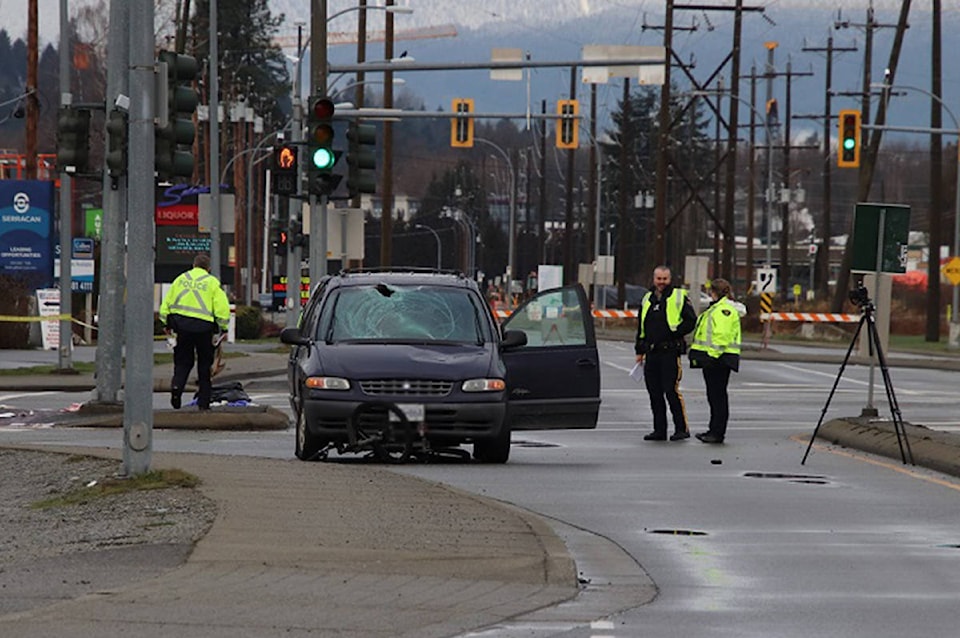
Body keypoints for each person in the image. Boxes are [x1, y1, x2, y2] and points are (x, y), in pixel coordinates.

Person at [159, 254, 230, 411]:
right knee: (205, 365)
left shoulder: (180, 279)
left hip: (182, 326)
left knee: (183, 361)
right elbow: (221, 308)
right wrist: (223, 327)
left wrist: (166, 323)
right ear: (208, 268)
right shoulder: (212, 283)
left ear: (193, 266)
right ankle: (203, 402)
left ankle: (177, 386)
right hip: (204, 328)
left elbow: (167, 302)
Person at [635, 265, 697, 441]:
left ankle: (681, 428)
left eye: (665, 279)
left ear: (670, 279)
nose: (661, 282)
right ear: (653, 279)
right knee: (654, 393)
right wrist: (639, 349)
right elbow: (641, 326)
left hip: (669, 352)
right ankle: (659, 430)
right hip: (651, 353)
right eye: (658, 279)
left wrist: (675, 333)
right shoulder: (648, 298)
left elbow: (691, 320)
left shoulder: (679, 296)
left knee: (671, 391)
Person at [688, 278, 742, 444]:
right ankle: (713, 429)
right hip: (717, 359)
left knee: (718, 397)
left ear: (714, 292)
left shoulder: (723, 310)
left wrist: (711, 355)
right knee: (714, 396)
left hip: (719, 360)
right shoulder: (718, 308)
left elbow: (721, 337)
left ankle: (717, 432)